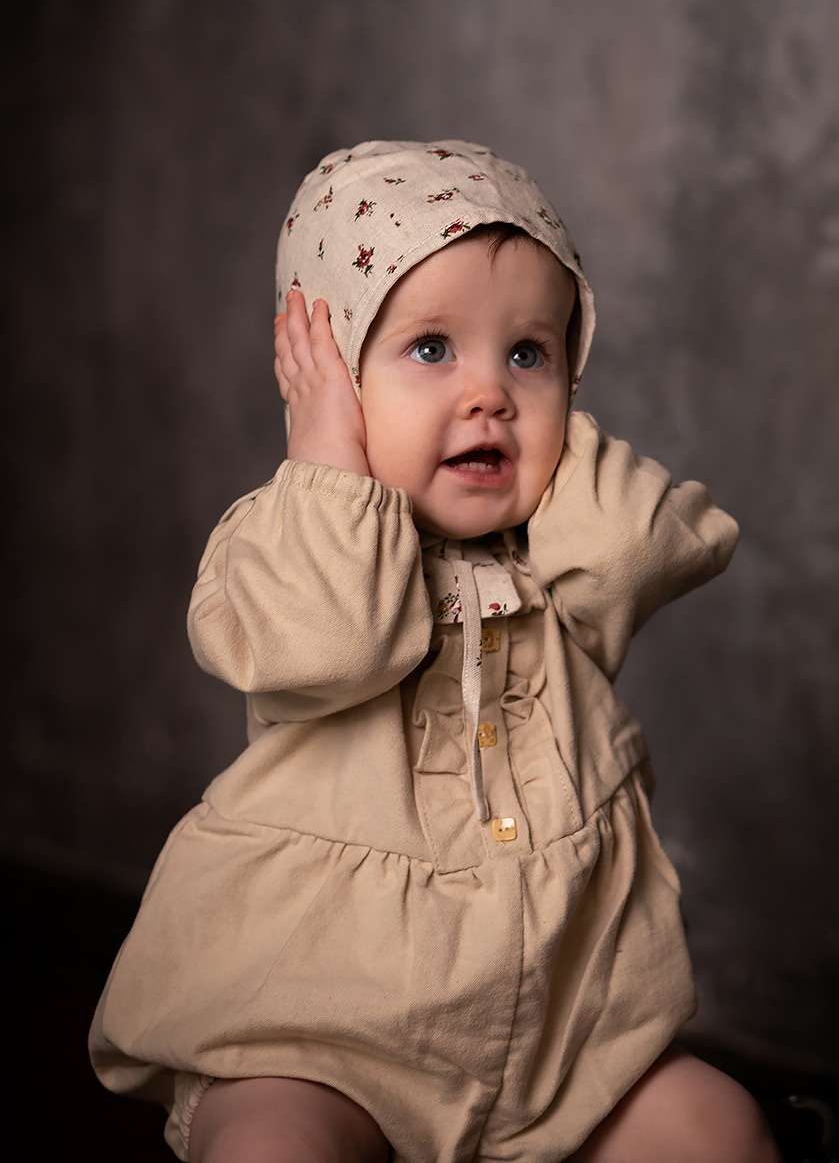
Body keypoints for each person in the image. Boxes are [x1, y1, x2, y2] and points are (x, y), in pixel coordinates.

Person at [90, 140, 778, 1163]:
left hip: (554, 1041)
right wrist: (329, 460)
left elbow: (646, 548)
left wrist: (557, 440)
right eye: (429, 349)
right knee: (270, 1144)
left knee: (720, 1128)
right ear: (332, 379)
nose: (488, 394)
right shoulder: (288, 538)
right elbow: (335, 645)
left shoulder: (563, 559)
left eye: (529, 354)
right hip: (321, 1029)